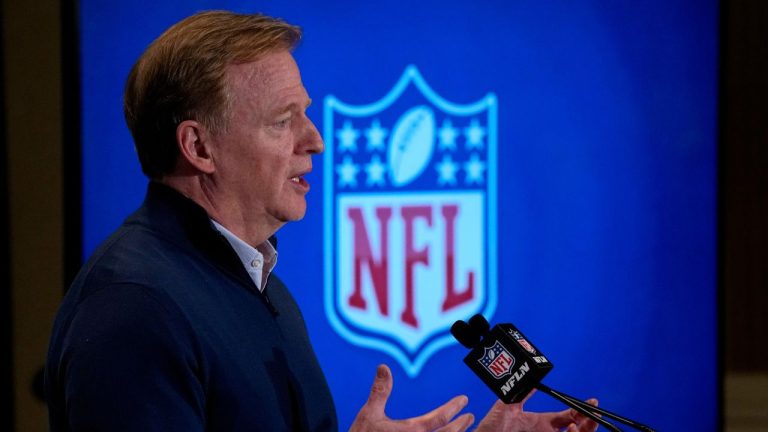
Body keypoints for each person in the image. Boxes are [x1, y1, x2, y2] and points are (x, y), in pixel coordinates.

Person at [44, 10, 599, 432]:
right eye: (283, 121)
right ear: (199, 146)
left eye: (305, 115)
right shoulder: (135, 308)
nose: (316, 141)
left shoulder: (262, 287)